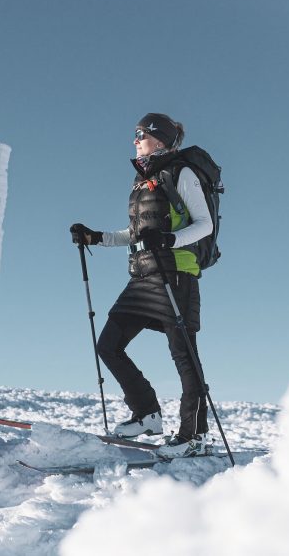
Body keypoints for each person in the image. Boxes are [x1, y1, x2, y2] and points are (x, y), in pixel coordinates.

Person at [70, 113, 213, 457]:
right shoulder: (141, 181)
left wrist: (169, 239)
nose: (135, 139)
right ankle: (147, 414)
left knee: (184, 356)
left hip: (176, 273)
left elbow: (204, 224)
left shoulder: (182, 173)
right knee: (109, 344)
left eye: (141, 134)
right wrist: (96, 237)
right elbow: (135, 234)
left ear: (160, 139)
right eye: (134, 133)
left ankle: (195, 435)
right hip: (143, 276)